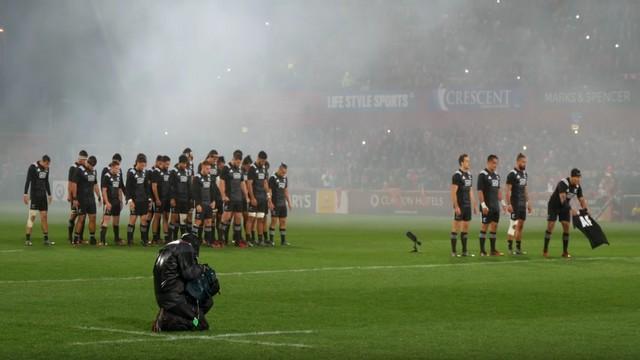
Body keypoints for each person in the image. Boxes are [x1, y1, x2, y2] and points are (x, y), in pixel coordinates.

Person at [152, 233, 215, 332]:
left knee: (207, 302)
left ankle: (170, 315)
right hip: (176, 297)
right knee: (201, 324)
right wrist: (202, 268)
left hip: (166, 296)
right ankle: (165, 321)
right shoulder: (185, 247)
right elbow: (189, 274)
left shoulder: (169, 247)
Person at [544, 168, 589, 258]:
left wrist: (585, 210)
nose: (578, 179)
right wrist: (571, 210)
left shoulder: (577, 186)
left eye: (579, 177)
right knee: (551, 225)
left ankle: (565, 252)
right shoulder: (563, 183)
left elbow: (581, 199)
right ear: (571, 177)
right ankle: (545, 250)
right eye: (577, 177)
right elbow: (562, 199)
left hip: (565, 207)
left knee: (566, 226)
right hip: (554, 206)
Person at [219, 150, 250, 247]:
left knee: (238, 218)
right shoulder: (226, 168)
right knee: (226, 218)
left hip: (238, 198)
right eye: (237, 162)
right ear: (234, 159)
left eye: (240, 162)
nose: (238, 164)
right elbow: (221, 182)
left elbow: (242, 183)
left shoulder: (240, 169)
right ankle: (221, 239)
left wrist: (246, 196)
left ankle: (237, 241)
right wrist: (223, 195)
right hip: (229, 198)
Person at [477, 155, 505, 256]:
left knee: (494, 227)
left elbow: (498, 191)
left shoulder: (497, 175)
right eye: (493, 163)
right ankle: (482, 251)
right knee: (484, 227)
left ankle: (493, 250)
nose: (495, 165)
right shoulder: (482, 175)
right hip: (487, 206)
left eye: (496, 163)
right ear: (488, 162)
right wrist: (483, 205)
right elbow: (480, 191)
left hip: (495, 206)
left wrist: (503, 203)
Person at [450, 154, 477, 257]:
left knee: (465, 227)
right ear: (462, 162)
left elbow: (470, 190)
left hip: (467, 206)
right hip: (460, 205)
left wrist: (474, 204)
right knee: (455, 227)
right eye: (467, 161)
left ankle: (464, 251)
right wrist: (456, 206)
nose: (468, 163)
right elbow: (453, 192)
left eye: (469, 161)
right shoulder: (456, 175)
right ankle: (453, 251)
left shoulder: (469, 175)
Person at [505, 153, 532, 255]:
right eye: (523, 162)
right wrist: (509, 204)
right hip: (514, 203)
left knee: (520, 226)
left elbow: (525, 189)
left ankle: (518, 248)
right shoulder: (512, 174)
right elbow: (507, 190)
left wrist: (528, 202)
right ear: (517, 161)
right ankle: (509, 247)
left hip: (522, 204)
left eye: (525, 162)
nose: (524, 164)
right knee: (513, 225)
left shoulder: (524, 174)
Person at [23, 155, 53, 246]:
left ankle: (46, 239)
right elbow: (28, 180)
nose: (47, 166)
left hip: (43, 197)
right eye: (46, 164)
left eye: (49, 164)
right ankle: (27, 239)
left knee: (44, 216)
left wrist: (49, 194)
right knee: (32, 217)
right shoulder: (32, 167)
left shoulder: (47, 169)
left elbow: (46, 181)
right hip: (35, 197)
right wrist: (25, 194)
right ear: (43, 161)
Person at [72, 156, 101, 246]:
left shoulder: (94, 171)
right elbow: (74, 184)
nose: (91, 167)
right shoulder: (79, 170)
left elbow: (95, 185)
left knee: (93, 218)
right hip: (81, 198)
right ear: (87, 162)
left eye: (93, 166)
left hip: (91, 199)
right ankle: (76, 239)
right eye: (90, 165)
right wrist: (75, 198)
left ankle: (92, 238)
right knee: (81, 218)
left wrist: (99, 196)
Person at [126, 154, 152, 246]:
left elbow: (147, 187)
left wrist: (149, 199)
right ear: (137, 162)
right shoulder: (131, 172)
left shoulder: (145, 172)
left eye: (144, 165)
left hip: (143, 200)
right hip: (135, 200)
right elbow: (128, 187)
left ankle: (144, 240)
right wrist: (129, 200)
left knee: (144, 220)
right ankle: (130, 240)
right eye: (142, 165)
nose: (143, 167)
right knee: (132, 220)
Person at [191, 161, 218, 247]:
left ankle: (208, 241)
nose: (208, 170)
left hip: (209, 204)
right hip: (201, 204)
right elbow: (194, 192)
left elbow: (213, 190)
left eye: (209, 169)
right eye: (207, 168)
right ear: (202, 167)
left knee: (208, 222)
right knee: (198, 222)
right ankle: (193, 241)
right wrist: (197, 204)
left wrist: (213, 200)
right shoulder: (197, 178)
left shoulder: (210, 178)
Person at [247, 151, 269, 246]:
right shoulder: (252, 168)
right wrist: (252, 198)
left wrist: (268, 196)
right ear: (258, 158)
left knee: (261, 219)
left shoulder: (263, 168)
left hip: (262, 198)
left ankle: (260, 240)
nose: (263, 163)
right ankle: (249, 239)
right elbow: (249, 184)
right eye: (262, 161)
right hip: (255, 197)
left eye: (264, 161)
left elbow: (265, 183)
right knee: (251, 218)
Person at [100, 160, 124, 246]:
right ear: (112, 167)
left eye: (119, 168)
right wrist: (107, 202)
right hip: (109, 202)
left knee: (116, 222)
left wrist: (121, 201)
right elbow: (104, 191)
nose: (118, 170)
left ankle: (116, 239)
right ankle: (102, 241)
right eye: (117, 168)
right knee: (106, 221)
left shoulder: (118, 176)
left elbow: (120, 189)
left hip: (116, 202)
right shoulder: (106, 176)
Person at [268, 163, 292, 246]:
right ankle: (271, 240)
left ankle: (283, 241)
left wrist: (289, 202)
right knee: (274, 221)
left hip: (282, 204)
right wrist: (270, 202)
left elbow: (285, 191)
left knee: (283, 221)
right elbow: (269, 191)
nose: (284, 174)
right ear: (279, 169)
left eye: (285, 172)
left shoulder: (285, 178)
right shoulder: (272, 178)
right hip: (275, 203)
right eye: (282, 172)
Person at [169, 155, 192, 241]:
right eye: (184, 163)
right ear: (180, 163)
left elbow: (189, 186)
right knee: (174, 217)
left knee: (183, 219)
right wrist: (172, 198)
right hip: (176, 198)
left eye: (186, 164)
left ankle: (182, 238)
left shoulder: (187, 172)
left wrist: (190, 198)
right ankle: (171, 237)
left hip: (185, 199)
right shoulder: (173, 172)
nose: (185, 165)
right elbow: (170, 186)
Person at [67, 150, 88, 243]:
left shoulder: (84, 168)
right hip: (75, 197)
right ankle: (70, 236)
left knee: (82, 216)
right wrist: (69, 195)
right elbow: (70, 182)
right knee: (74, 215)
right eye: (85, 160)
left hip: (83, 196)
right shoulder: (73, 168)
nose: (85, 162)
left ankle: (80, 237)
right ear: (81, 159)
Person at [151, 155, 172, 244]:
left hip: (167, 199)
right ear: (162, 162)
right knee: (157, 217)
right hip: (160, 198)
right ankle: (155, 238)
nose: (168, 166)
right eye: (166, 164)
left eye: (169, 164)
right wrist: (157, 199)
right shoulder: (156, 172)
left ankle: (166, 238)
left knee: (166, 217)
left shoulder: (168, 172)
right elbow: (154, 186)